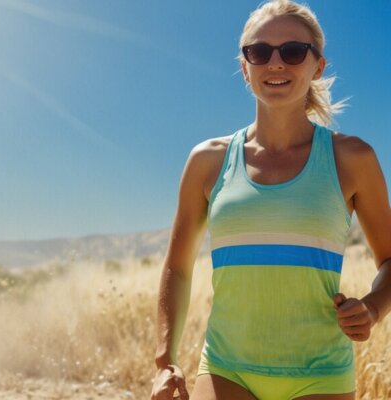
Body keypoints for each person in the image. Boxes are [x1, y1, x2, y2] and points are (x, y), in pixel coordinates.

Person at [151, 1, 391, 399]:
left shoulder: (352, 159)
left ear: (318, 66)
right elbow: (177, 269)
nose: (275, 63)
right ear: (245, 67)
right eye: (260, 52)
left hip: (322, 374)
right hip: (227, 370)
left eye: (293, 51)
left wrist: (372, 308)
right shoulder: (207, 161)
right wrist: (165, 361)